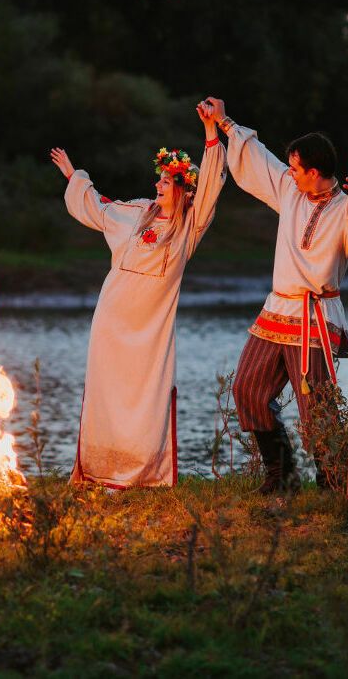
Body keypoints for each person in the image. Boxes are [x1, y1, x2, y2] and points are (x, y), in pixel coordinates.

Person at [50, 100, 227, 489]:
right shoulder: (137, 212)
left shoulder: (189, 226)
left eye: (166, 181)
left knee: (146, 397)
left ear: (182, 188)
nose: (157, 185)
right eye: (160, 179)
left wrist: (211, 132)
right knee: (106, 394)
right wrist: (73, 176)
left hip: (150, 328)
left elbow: (212, 185)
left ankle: (143, 472)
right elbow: (100, 208)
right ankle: (100, 470)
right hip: (112, 319)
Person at [209, 97, 348, 493]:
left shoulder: (344, 208)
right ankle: (281, 473)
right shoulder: (290, 190)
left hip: (316, 316)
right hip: (277, 308)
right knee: (247, 388)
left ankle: (333, 482)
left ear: (315, 171)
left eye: (298, 169)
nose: (291, 173)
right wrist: (224, 122)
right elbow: (259, 160)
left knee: (315, 406)